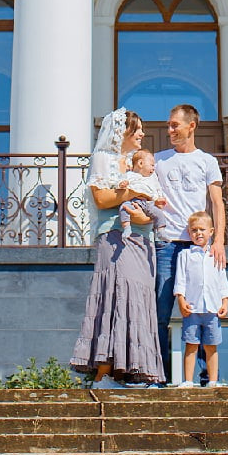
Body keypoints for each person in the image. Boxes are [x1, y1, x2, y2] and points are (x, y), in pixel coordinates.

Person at [70, 109, 165, 389]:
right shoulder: (104, 159)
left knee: (139, 298)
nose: (142, 134)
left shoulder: (139, 164)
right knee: (116, 295)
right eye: (138, 129)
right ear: (123, 131)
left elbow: (155, 201)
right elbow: (100, 199)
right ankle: (104, 373)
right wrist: (133, 194)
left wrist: (146, 216)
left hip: (144, 240)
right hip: (116, 239)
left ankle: (132, 371)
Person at [152, 103, 226, 382]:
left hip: (199, 247)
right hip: (167, 245)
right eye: (169, 125)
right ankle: (157, 375)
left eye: (175, 125)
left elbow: (217, 203)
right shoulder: (159, 160)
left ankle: (208, 378)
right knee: (161, 311)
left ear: (191, 126)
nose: (169, 130)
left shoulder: (206, 161)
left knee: (205, 309)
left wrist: (218, 241)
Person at [174, 211, 228, 387]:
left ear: (211, 231)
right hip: (192, 307)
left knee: (211, 346)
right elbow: (180, 279)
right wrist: (181, 300)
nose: (198, 233)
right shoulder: (185, 255)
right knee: (191, 345)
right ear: (189, 233)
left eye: (202, 229)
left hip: (212, 308)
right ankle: (188, 380)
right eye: (194, 230)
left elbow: (222, 279)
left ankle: (213, 380)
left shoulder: (216, 255)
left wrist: (225, 301)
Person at [119, 149, 167, 243]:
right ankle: (127, 227)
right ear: (140, 163)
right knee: (123, 208)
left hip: (148, 202)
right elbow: (122, 183)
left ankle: (161, 230)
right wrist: (122, 184)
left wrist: (158, 199)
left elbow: (156, 190)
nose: (154, 168)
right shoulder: (130, 175)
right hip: (132, 201)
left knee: (159, 213)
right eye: (152, 165)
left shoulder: (152, 178)